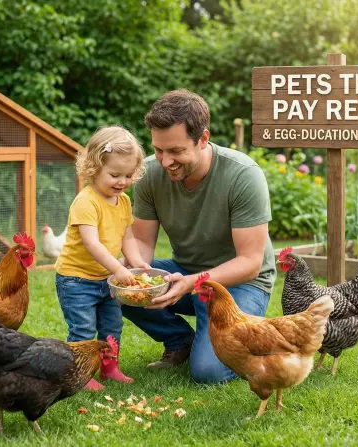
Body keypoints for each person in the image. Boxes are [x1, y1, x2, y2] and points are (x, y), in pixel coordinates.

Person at [121, 89, 276, 384]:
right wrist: (132, 271)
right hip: (186, 274)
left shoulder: (243, 175)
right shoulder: (150, 175)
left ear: (203, 139)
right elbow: (141, 243)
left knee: (208, 373)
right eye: (159, 150)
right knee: (116, 286)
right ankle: (181, 341)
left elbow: (250, 262)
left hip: (241, 284)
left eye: (176, 151)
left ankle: (252, 336)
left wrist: (193, 283)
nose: (165, 161)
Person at [55, 125, 149, 391]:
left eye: (128, 175)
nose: (122, 181)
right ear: (95, 168)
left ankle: (110, 368)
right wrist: (118, 268)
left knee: (112, 326)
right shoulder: (86, 202)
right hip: (77, 280)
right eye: (115, 174)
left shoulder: (123, 201)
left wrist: (136, 261)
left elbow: (127, 236)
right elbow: (92, 243)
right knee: (83, 330)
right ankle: (81, 375)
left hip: (105, 279)